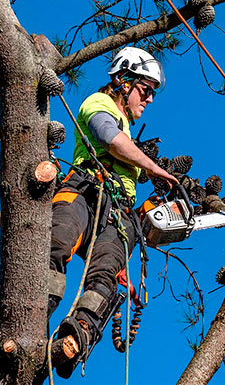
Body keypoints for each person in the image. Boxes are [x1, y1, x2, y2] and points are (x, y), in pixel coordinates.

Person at [47, 46, 178, 378]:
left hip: (117, 214)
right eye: (145, 90)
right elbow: (109, 138)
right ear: (123, 80)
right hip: (85, 190)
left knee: (106, 276)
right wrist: (154, 168)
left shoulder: (129, 132)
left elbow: (125, 147)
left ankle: (76, 336)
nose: (148, 100)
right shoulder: (98, 103)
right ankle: (33, 312)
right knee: (56, 243)